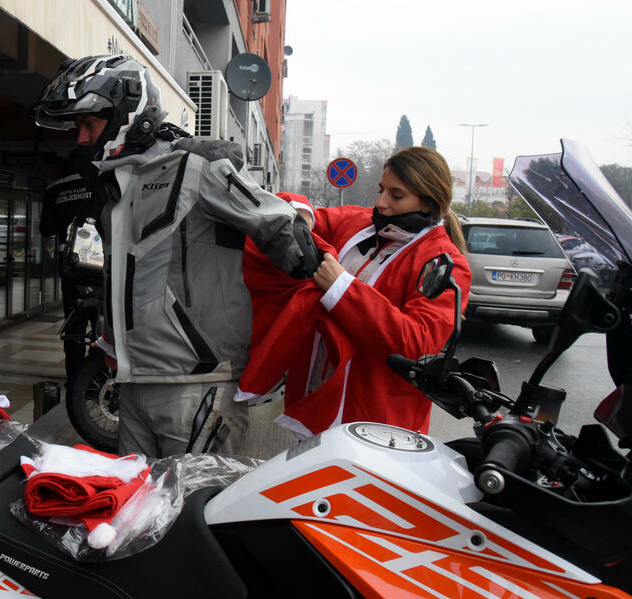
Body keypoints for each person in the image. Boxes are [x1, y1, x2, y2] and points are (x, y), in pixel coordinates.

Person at [32, 54, 320, 458]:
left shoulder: (194, 166)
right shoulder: (114, 189)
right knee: (140, 499)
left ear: (125, 114)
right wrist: (111, 343)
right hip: (133, 383)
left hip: (197, 384)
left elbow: (280, 225)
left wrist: (323, 272)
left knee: (196, 499)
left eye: (88, 124)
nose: (81, 138)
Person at [236, 146, 471, 438]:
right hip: (317, 397)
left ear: (429, 202)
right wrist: (302, 218)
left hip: (377, 420)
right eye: (381, 190)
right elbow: (289, 208)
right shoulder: (358, 222)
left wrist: (341, 287)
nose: (381, 203)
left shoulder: (445, 264)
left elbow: (418, 343)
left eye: (396, 195)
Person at [39, 152, 100, 409]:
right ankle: (95, 382)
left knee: (74, 326)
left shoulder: (54, 189)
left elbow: (46, 229)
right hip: (99, 264)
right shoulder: (99, 183)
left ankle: (74, 380)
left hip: (70, 266)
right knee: (101, 325)